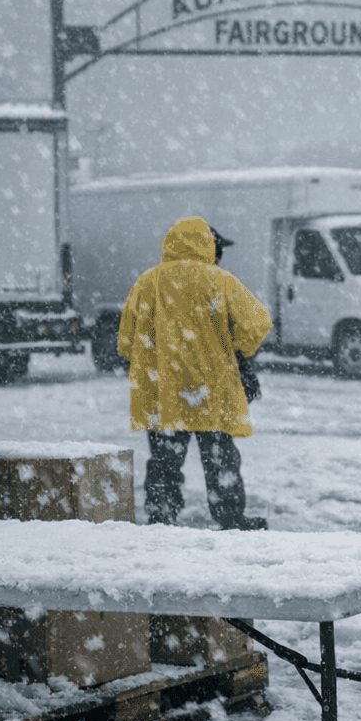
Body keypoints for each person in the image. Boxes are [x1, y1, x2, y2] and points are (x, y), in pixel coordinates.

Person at [117, 215, 273, 530]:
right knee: (221, 460)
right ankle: (230, 516)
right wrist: (239, 347)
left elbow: (125, 341)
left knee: (164, 461)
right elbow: (257, 325)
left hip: (165, 392)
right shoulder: (221, 280)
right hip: (212, 389)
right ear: (206, 245)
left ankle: (162, 516)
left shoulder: (148, 282)